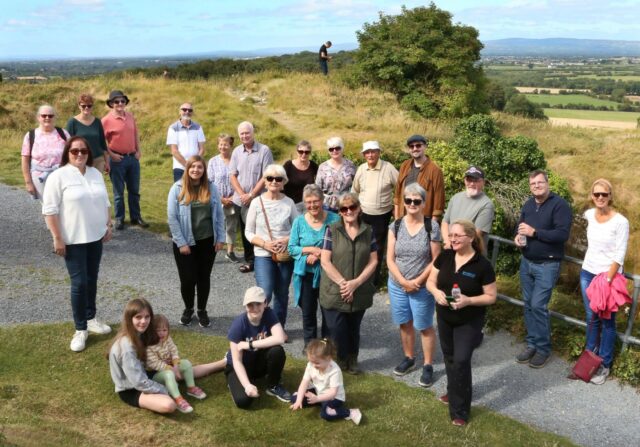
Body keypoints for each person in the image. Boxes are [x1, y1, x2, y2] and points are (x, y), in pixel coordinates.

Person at [42, 136, 112, 352]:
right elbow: (50, 210)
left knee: (91, 280)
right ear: (67, 153)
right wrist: (57, 237)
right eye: (74, 151)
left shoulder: (95, 174)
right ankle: (80, 328)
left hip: (95, 237)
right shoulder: (58, 176)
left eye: (83, 150)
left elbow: (105, 202)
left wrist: (107, 225)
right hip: (72, 240)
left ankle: (91, 318)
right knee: (79, 283)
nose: (80, 154)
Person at [426, 219, 497, 426]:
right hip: (445, 316)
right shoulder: (445, 256)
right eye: (451, 235)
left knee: (462, 360)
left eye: (457, 236)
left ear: (471, 238)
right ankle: (453, 391)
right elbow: (431, 281)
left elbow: (491, 296)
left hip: (469, 320)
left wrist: (469, 301)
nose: (452, 239)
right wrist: (436, 292)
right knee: (449, 357)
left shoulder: (482, 265)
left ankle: (460, 411)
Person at [515, 169, 572, 368]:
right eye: (533, 184)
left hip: (548, 265)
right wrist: (518, 236)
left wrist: (535, 233)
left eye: (540, 183)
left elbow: (562, 235)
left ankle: (543, 349)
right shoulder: (529, 204)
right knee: (528, 304)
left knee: (538, 305)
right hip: (527, 262)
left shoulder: (559, 205)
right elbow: (520, 225)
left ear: (547, 183)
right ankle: (532, 344)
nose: (536, 186)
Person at [386, 183, 442, 387]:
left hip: (422, 286)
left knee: (424, 325)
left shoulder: (431, 226)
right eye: (408, 200)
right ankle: (409, 358)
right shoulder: (395, 226)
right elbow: (389, 259)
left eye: (416, 201)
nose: (412, 204)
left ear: (424, 203)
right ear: (403, 202)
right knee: (404, 323)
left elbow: (436, 260)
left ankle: (428, 365)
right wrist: (403, 282)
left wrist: (417, 282)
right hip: (397, 284)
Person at [576, 179, 629, 384]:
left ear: (610, 197)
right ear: (592, 196)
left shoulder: (620, 222)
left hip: (607, 277)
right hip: (587, 273)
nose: (600, 198)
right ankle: (588, 360)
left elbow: (620, 255)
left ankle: (604, 364)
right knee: (591, 318)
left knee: (607, 321)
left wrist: (607, 280)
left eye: (604, 194)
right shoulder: (588, 215)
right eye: (596, 194)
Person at [320, 192, 377, 374]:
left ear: (359, 209)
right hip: (334, 289)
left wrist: (356, 283)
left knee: (354, 328)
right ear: (340, 212)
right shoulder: (331, 229)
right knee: (336, 329)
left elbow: (373, 261)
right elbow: (325, 261)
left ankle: (352, 359)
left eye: (352, 207)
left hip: (359, 290)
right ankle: (339, 359)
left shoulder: (368, 231)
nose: (348, 211)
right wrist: (345, 284)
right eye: (344, 208)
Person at [167, 156, 224, 328]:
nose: (196, 170)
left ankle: (202, 310)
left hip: (207, 242)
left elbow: (219, 215)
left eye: (199, 167)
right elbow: (172, 218)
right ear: (187, 168)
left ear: (203, 170)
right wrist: (181, 242)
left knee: (203, 278)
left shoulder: (211, 188)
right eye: (193, 167)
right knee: (187, 279)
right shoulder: (177, 188)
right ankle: (188, 308)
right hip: (185, 243)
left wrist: (220, 238)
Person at [245, 164, 298, 329]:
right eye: (270, 178)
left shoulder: (289, 203)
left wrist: (286, 240)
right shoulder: (256, 203)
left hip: (284, 254)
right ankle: (262, 328)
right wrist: (265, 244)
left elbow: (298, 229)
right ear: (265, 182)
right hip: (263, 254)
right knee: (264, 293)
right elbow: (248, 232)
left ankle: (278, 328)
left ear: (283, 182)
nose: (274, 181)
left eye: (278, 179)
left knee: (282, 294)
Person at [288, 184, 340, 348]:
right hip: (306, 275)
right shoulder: (299, 222)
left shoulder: (335, 219)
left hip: (328, 274)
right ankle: (309, 345)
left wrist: (320, 253)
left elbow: (340, 246)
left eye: (316, 201)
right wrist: (310, 249)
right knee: (308, 312)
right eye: (308, 202)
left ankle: (327, 345)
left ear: (322, 200)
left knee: (328, 312)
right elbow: (292, 248)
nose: (312, 206)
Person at [225, 286, 291, 408]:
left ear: (265, 303)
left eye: (258, 304)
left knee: (277, 351)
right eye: (250, 305)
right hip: (240, 365)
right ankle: (235, 381)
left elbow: (280, 338)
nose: (255, 308)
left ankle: (273, 386)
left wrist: (249, 344)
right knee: (243, 401)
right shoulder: (238, 324)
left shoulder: (269, 314)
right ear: (245, 306)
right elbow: (237, 361)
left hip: (257, 362)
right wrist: (247, 386)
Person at [108, 298, 176, 414]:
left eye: (147, 317)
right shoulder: (126, 348)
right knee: (169, 404)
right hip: (131, 389)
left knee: (180, 370)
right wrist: (164, 389)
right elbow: (139, 382)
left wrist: (168, 363)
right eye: (138, 317)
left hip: (144, 374)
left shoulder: (141, 333)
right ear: (129, 319)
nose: (143, 321)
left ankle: (219, 364)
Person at [145, 314, 219, 413]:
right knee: (169, 374)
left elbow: (174, 350)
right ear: (151, 331)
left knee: (186, 363)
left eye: (164, 330)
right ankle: (178, 399)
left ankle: (191, 388)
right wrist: (173, 370)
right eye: (158, 330)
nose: (161, 333)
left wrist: (175, 365)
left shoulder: (167, 339)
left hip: (171, 367)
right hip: (155, 374)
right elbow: (155, 364)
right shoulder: (148, 345)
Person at [229, 121, 274, 273]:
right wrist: (243, 195)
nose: (244, 136)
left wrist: (252, 194)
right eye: (241, 133)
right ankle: (250, 260)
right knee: (245, 230)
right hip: (240, 199)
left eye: (247, 132)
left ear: (253, 133)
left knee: (259, 229)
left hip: (258, 198)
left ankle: (262, 259)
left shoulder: (264, 150)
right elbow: (233, 176)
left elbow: (266, 175)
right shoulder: (236, 152)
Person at [351, 140, 399, 286]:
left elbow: (401, 189)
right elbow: (355, 191)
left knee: (377, 249)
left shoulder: (388, 168)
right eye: (367, 152)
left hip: (381, 216)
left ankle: (373, 282)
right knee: (361, 247)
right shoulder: (361, 169)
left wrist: (395, 206)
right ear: (364, 155)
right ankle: (359, 278)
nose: (370, 155)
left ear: (379, 152)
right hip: (363, 214)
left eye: (373, 151)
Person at [102, 90, 148, 230]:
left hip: (132, 158)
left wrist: (139, 151)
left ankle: (136, 217)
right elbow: (101, 141)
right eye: (116, 101)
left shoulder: (130, 116)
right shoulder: (106, 120)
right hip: (117, 159)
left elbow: (135, 134)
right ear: (111, 104)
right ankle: (120, 219)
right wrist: (111, 155)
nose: (120, 104)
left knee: (134, 190)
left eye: (122, 101)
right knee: (118, 192)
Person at [290, 338, 362, 425]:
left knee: (326, 414)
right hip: (318, 392)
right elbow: (304, 382)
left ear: (328, 358)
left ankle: (350, 412)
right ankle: (320, 403)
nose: (313, 365)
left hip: (334, 398)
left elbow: (333, 392)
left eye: (317, 363)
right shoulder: (311, 365)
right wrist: (298, 400)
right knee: (295, 398)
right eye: (311, 362)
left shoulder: (334, 370)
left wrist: (317, 399)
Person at [441, 166, 495, 255]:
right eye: (469, 180)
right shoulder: (456, 197)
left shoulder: (487, 204)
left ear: (483, 182)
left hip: (471, 256)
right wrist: (447, 241)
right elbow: (445, 222)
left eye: (476, 180)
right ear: (465, 181)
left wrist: (452, 243)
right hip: (450, 250)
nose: (472, 183)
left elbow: (476, 234)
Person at [21, 104, 69, 199]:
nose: (47, 118)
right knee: (47, 207)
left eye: (50, 116)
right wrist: (28, 182)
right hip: (39, 179)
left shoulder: (63, 133)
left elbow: (72, 154)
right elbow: (25, 160)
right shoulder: (30, 135)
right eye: (44, 115)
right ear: (38, 117)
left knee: (63, 205)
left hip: (61, 176)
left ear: (54, 117)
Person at [394, 134, 445, 222]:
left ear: (425, 146)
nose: (415, 149)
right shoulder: (404, 165)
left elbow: (438, 203)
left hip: (423, 221)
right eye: (411, 146)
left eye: (418, 145)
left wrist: (431, 226)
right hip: (404, 219)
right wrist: (397, 220)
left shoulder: (435, 170)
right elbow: (397, 195)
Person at [208, 133, 241, 263]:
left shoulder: (236, 161)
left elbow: (240, 179)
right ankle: (211, 251)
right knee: (214, 225)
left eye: (225, 144)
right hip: (217, 199)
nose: (223, 147)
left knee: (231, 226)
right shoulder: (213, 161)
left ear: (231, 145)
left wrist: (233, 197)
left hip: (233, 199)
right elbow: (209, 182)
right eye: (221, 144)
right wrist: (220, 198)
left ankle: (230, 252)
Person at [66, 93, 109, 173]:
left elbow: (103, 144)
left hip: (98, 160)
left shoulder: (97, 122)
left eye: (89, 106)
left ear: (92, 106)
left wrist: (107, 162)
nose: (86, 108)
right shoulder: (72, 122)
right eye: (83, 106)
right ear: (79, 106)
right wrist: (68, 162)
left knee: (96, 184)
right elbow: (67, 145)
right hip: (80, 159)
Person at [166, 102, 206, 182]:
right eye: (184, 109)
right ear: (179, 112)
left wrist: (194, 165)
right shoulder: (173, 128)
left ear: (192, 113)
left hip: (195, 168)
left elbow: (202, 149)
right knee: (181, 192)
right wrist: (187, 165)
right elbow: (174, 151)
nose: (187, 112)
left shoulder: (198, 127)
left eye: (190, 110)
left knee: (196, 192)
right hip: (179, 167)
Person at [315, 137, 356, 212]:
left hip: (346, 205)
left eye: (337, 148)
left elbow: (356, 185)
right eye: (331, 149)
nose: (334, 151)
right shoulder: (322, 167)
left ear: (342, 148)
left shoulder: (350, 165)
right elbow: (317, 188)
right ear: (328, 151)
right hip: (326, 206)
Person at [283, 140, 319, 214]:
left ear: (310, 153)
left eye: (307, 152)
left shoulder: (313, 166)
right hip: (291, 205)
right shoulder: (288, 166)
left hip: (308, 205)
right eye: (301, 151)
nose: (303, 154)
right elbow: (280, 182)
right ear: (297, 152)